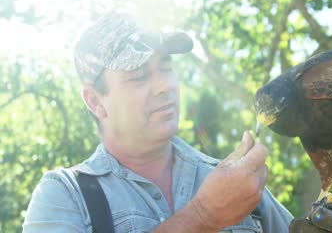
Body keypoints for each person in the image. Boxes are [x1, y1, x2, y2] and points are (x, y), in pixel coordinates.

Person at [22, 12, 294, 232]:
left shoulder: (236, 181)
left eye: (165, 66)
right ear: (95, 100)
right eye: (139, 76)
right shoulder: (66, 195)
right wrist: (203, 216)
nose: (164, 86)